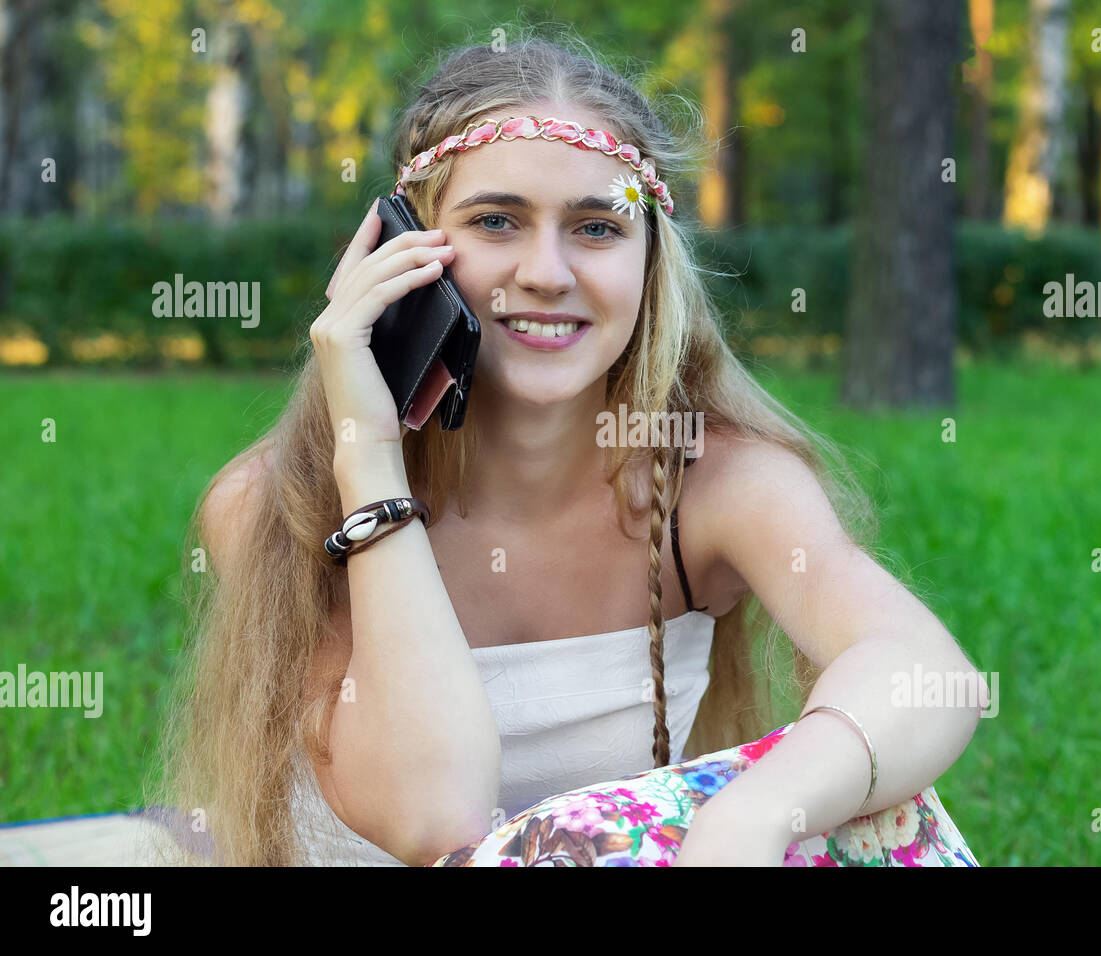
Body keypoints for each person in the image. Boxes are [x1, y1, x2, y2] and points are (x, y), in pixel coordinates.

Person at [144, 32, 986, 867]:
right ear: (398, 247)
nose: (546, 273)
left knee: (874, 787)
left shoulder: (714, 482)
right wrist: (367, 456)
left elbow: (925, 676)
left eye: (595, 227)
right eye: (496, 220)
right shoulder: (273, 503)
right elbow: (437, 821)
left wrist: (760, 811)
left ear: (652, 260)